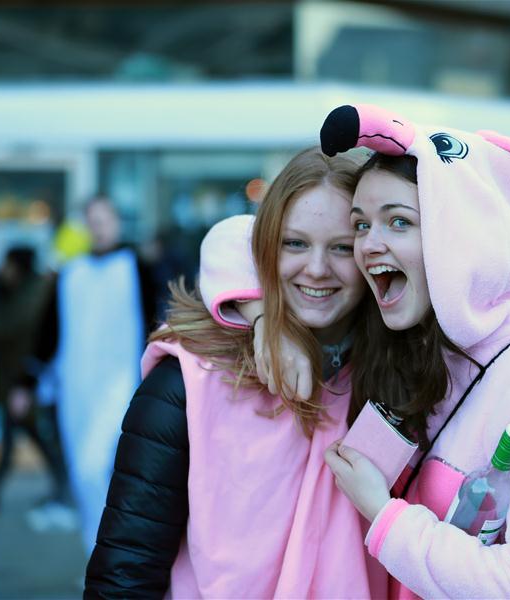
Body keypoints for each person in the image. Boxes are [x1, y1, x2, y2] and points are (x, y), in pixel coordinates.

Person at [213, 105, 510, 598]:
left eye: (398, 223)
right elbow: (239, 238)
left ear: (463, 235)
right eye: (360, 227)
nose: (368, 246)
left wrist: (386, 517)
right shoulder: (426, 342)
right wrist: (264, 321)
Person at [84, 148, 385, 599]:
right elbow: (125, 573)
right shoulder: (187, 382)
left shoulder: (395, 377)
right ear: (264, 248)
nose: (317, 269)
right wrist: (267, 320)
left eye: (341, 247)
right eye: (295, 243)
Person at [23, 196, 157, 548]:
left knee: (92, 467)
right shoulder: (70, 272)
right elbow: (48, 332)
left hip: (122, 386)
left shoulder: (136, 266)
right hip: (77, 388)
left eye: (104, 219)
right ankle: (98, 557)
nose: (98, 227)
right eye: (90, 220)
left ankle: (110, 553)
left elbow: (158, 321)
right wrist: (27, 381)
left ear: (116, 222)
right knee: (88, 472)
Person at [0, 247, 68, 511]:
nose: (2, 271)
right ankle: (61, 487)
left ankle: (62, 487)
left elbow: (7, 329)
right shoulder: (25, 291)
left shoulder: (33, 293)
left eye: (6, 265)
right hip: (16, 380)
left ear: (17, 267)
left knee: (27, 435)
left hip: (21, 381)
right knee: (23, 435)